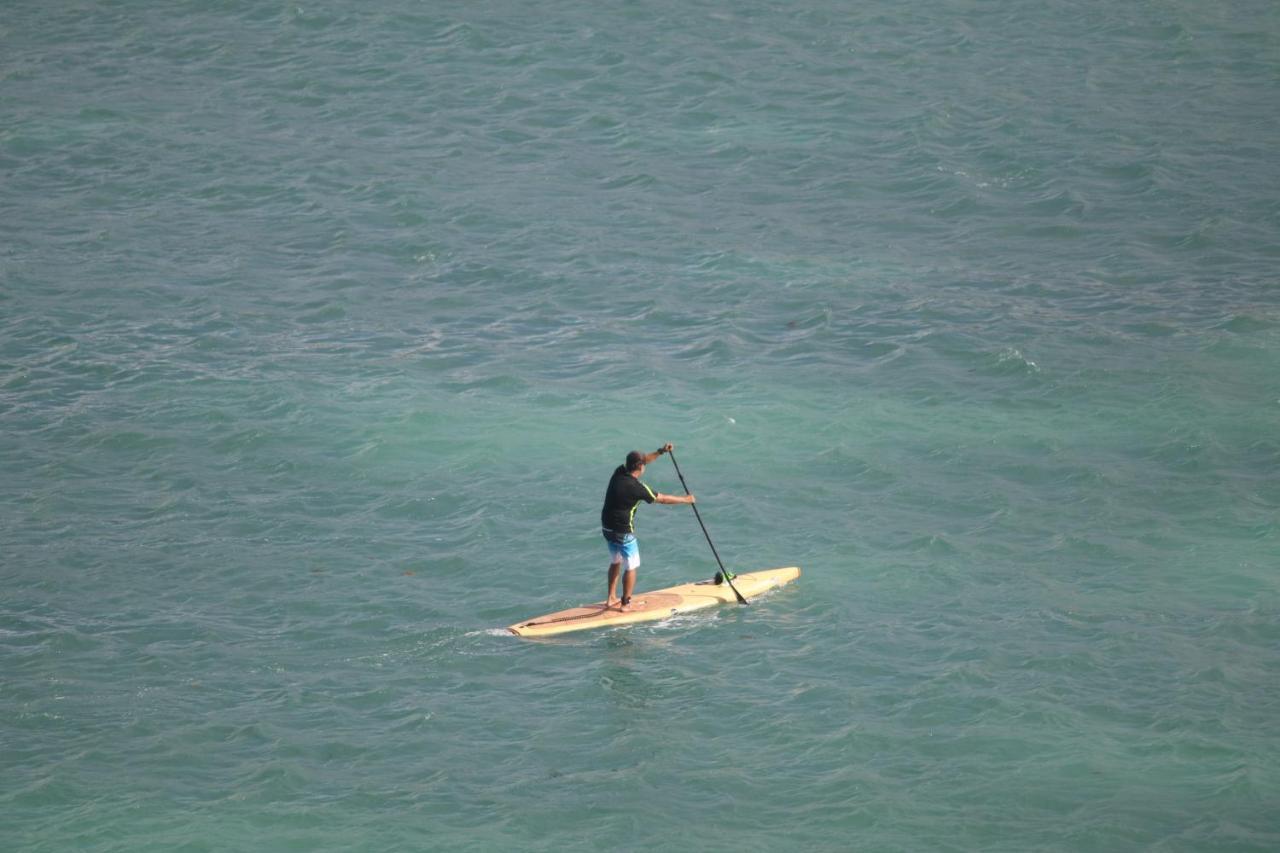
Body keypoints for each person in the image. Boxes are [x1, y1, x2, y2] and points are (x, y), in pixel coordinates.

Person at [600, 442, 695, 611]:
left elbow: (643, 461)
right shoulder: (638, 488)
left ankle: (610, 598)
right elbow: (663, 499)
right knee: (632, 565)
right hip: (623, 531)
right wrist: (686, 500)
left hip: (607, 527)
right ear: (640, 467)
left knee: (616, 561)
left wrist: (661, 452)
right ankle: (625, 604)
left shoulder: (619, 472)